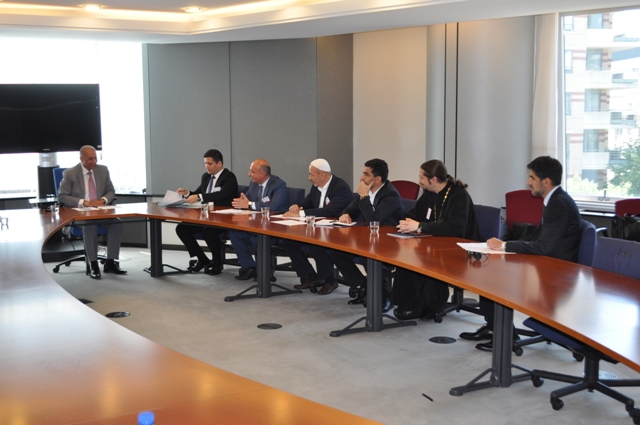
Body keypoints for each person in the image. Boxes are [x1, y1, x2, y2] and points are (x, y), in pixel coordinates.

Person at [460, 155, 582, 351]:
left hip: (556, 270)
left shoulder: (558, 204)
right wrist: (505, 245)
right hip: (548, 262)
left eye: (532, 177)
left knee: (494, 277)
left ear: (546, 181)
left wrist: (505, 246)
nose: (528, 182)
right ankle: (493, 327)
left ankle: (503, 336)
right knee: (490, 270)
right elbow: (538, 236)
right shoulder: (555, 199)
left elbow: (543, 247)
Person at [392, 160, 482, 320]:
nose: (419, 181)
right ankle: (405, 304)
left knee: (428, 261)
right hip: (434, 244)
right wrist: (405, 222)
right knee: (406, 258)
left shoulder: (459, 196)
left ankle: (425, 308)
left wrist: (420, 226)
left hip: (460, 248)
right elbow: (416, 214)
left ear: (433, 179)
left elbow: (456, 228)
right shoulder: (429, 194)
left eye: (422, 177)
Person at [318, 159, 404, 310]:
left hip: (389, 243)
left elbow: (374, 220)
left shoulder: (390, 195)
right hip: (369, 239)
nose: (361, 177)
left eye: (366, 174)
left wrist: (364, 197)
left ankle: (384, 297)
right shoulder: (364, 191)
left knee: (367, 255)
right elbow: (350, 209)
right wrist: (346, 214)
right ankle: (361, 286)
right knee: (335, 251)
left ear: (377, 179)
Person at [280, 159, 352, 294]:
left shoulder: (340, 187)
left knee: (316, 245)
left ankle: (330, 280)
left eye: (311, 175)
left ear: (322, 175)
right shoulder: (316, 186)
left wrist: (301, 213)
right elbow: (306, 204)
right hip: (318, 229)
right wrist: (297, 208)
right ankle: (309, 276)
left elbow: (329, 211)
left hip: (337, 232)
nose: (309, 178)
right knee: (288, 242)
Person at [57, 145, 126, 279]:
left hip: (100, 212)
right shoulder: (70, 174)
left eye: (95, 158)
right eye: (90, 159)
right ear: (81, 159)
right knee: (90, 226)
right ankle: (93, 264)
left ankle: (111, 262)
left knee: (117, 224)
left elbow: (111, 191)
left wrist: (102, 200)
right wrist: (83, 202)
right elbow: (62, 196)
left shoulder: (103, 170)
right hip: (79, 214)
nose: (94, 161)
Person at [175, 149, 238, 275]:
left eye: (209, 164)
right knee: (181, 228)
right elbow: (199, 193)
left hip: (224, 218)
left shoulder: (229, 177)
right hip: (206, 216)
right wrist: (187, 193)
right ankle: (202, 259)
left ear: (219, 163)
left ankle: (217, 262)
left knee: (209, 232)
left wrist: (200, 196)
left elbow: (222, 195)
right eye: (205, 163)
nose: (206, 166)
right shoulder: (206, 177)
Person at [228, 158, 288, 280]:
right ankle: (249, 267)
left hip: (274, 228)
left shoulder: (279, 185)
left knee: (257, 239)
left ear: (262, 174)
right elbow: (247, 199)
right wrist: (242, 202)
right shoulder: (254, 183)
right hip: (255, 225)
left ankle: (264, 271)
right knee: (234, 234)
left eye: (252, 172)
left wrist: (249, 204)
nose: (249, 174)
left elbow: (274, 206)